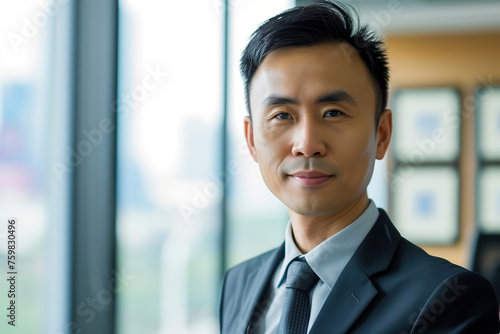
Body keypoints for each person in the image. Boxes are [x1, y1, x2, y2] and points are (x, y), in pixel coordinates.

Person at [218, 1, 500, 333]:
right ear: (251, 140)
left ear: (381, 134)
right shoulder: (238, 283)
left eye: (333, 112)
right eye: (282, 115)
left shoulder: (448, 300)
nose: (307, 143)